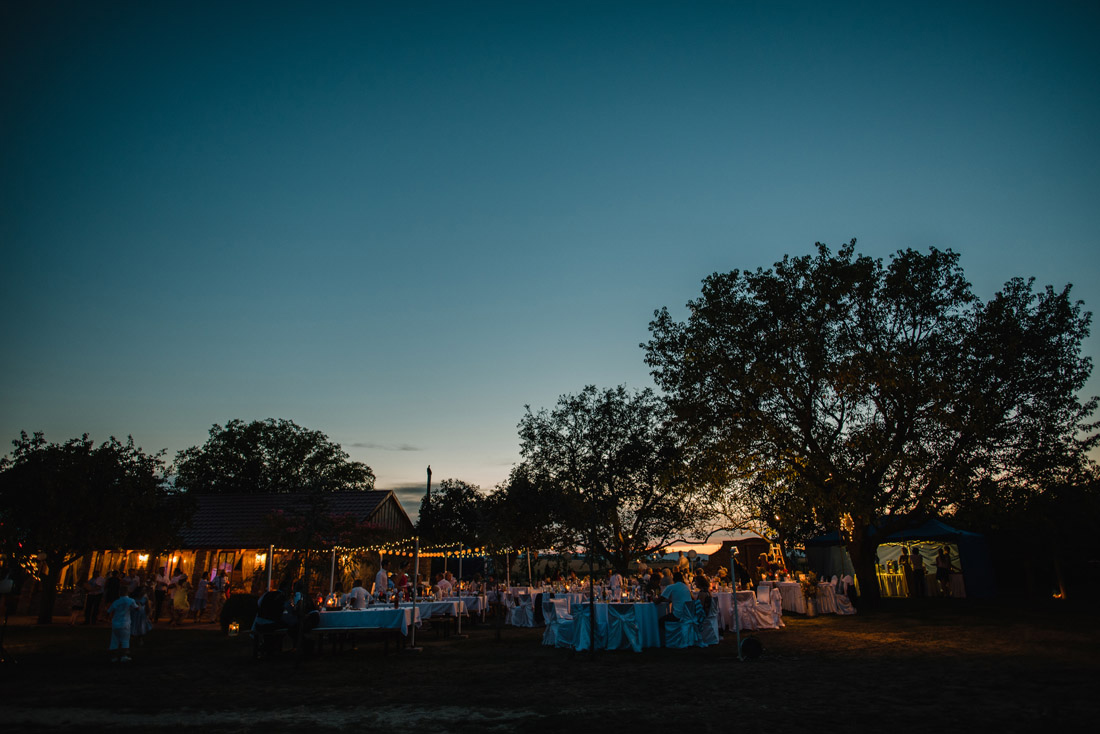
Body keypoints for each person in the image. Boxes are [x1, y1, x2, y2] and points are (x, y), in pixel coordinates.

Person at [106, 589, 139, 663]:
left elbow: (108, 611)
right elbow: (137, 608)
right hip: (125, 623)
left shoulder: (116, 602)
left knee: (114, 641)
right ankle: (124, 656)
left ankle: (114, 657)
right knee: (125, 640)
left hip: (116, 623)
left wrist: (108, 618)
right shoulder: (130, 600)